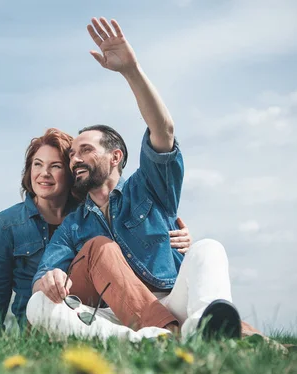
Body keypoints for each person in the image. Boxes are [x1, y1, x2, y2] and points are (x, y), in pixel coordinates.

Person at [30, 17, 260, 339]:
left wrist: (130, 70)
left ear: (115, 156)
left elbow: (163, 131)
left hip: (169, 299)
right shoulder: (74, 226)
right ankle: (166, 337)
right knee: (39, 302)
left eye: (84, 150)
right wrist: (51, 277)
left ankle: (195, 328)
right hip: (110, 313)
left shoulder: (149, 187)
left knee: (208, 248)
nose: (75, 159)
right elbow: (43, 275)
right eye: (71, 155)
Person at [0, 128, 193, 334]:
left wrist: (167, 233)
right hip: (48, 312)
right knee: (40, 302)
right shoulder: (6, 224)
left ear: (71, 173)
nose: (44, 174)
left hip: (101, 308)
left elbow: (124, 252)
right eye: (37, 164)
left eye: (55, 166)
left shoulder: (89, 213)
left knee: (207, 249)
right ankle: (165, 333)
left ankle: (151, 335)